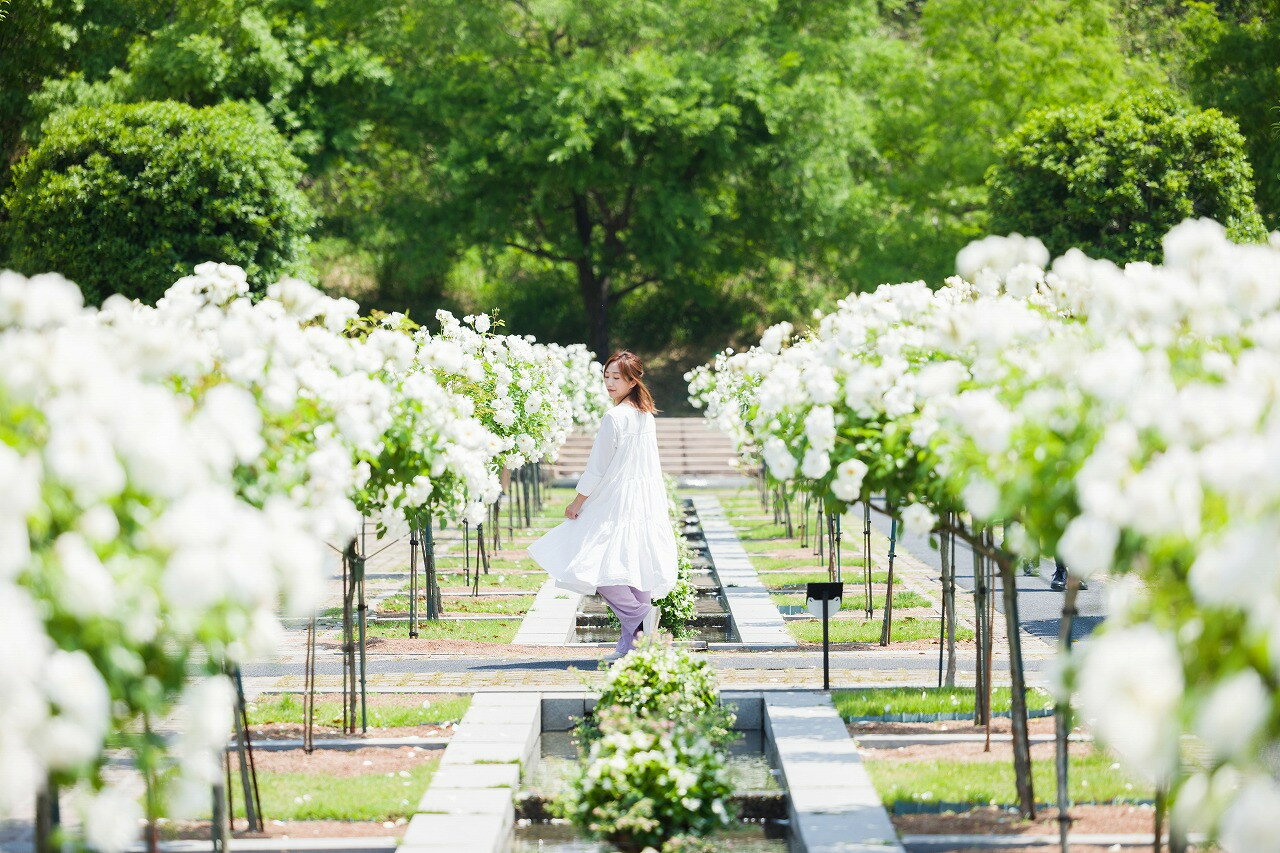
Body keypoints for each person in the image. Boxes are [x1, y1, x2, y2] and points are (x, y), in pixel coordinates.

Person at [527, 351, 678, 661]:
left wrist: (577, 501)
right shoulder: (644, 414)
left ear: (632, 380)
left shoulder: (616, 416)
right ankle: (633, 647)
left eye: (616, 377)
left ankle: (640, 613)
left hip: (616, 500)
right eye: (607, 376)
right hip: (642, 499)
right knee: (635, 566)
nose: (609, 383)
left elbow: (597, 467)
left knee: (598, 565)